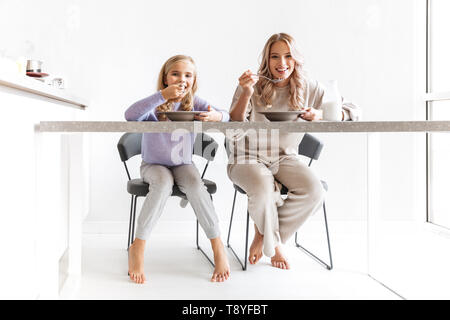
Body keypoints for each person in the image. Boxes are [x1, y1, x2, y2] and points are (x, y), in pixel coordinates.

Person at [227, 33, 360, 269]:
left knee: (315, 191)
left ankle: (263, 235)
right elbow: (233, 130)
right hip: (246, 157)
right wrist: (246, 92)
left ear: (296, 59)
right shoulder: (252, 85)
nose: (282, 63)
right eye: (275, 57)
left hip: (284, 158)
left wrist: (321, 114)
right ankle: (274, 245)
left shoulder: (308, 87)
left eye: (288, 56)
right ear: (266, 60)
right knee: (262, 186)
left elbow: (352, 110)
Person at [125, 55, 230, 283]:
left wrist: (216, 116)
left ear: (194, 80)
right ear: (165, 78)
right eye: (175, 74)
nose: (181, 79)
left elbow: (228, 116)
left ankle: (217, 245)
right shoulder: (155, 103)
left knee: (195, 184)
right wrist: (163, 96)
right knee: (163, 183)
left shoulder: (194, 103)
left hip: (183, 164)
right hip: (153, 164)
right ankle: (139, 245)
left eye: (187, 75)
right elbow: (130, 115)